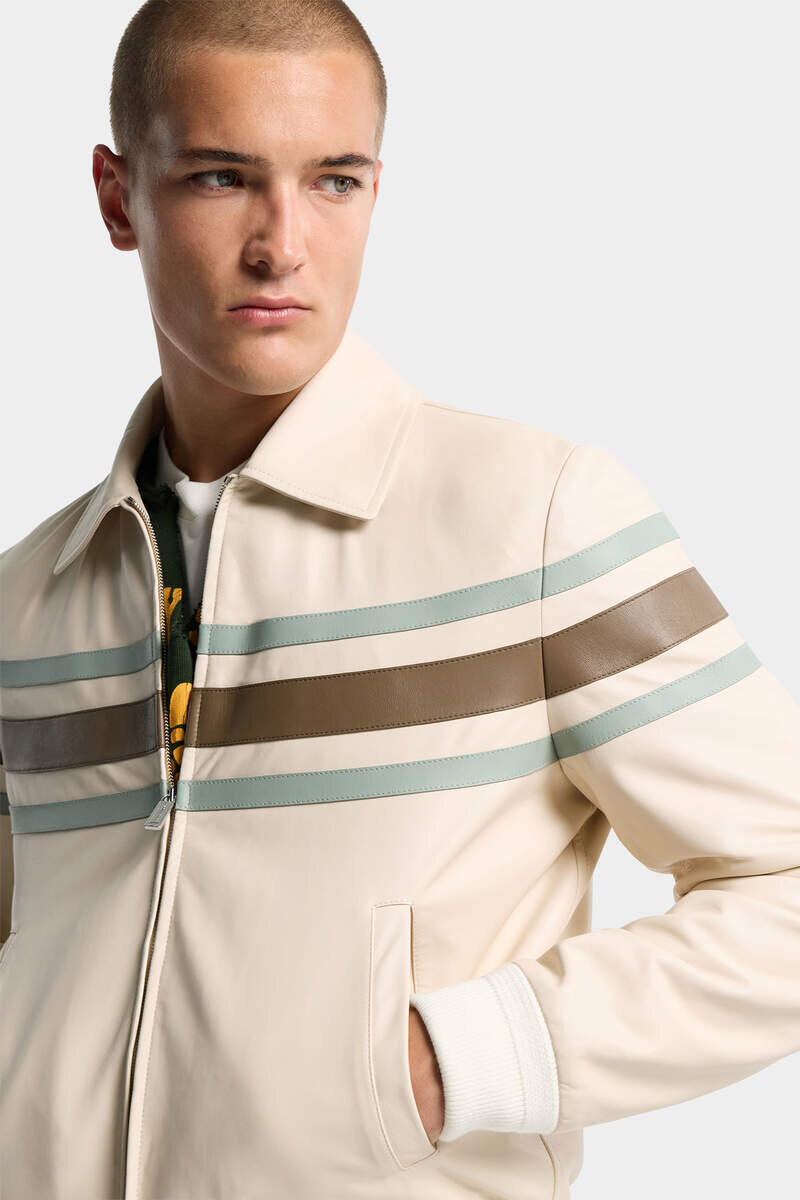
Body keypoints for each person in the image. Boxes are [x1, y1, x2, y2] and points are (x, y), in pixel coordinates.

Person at [1, 2, 798, 1197]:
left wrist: (454, 1060)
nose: (282, 245)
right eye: (222, 178)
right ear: (118, 199)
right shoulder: (27, 602)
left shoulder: (533, 523)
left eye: (333, 180)